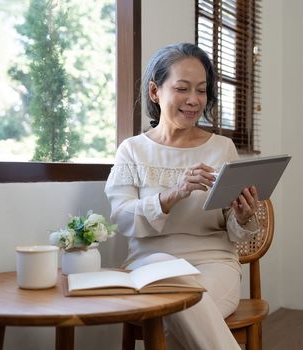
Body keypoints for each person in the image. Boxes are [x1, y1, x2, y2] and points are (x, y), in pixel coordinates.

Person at [104, 42, 260, 350]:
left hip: (215, 262)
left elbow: (233, 229)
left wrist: (242, 216)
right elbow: (121, 218)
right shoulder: (132, 150)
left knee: (180, 314)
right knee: (182, 303)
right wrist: (172, 195)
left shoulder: (222, 148)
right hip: (151, 263)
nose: (193, 100)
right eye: (182, 88)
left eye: (201, 90)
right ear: (154, 91)